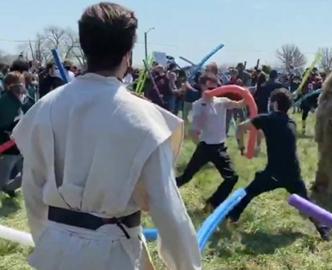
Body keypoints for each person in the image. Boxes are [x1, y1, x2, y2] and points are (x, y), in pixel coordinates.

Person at [11, 3, 201, 269]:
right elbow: (168, 210)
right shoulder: (144, 119)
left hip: (55, 251)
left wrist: (49, 239)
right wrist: (187, 266)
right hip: (112, 256)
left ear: (84, 46)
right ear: (128, 54)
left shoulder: (46, 107)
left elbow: (32, 190)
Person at [227, 88, 332, 241]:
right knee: (306, 202)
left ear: (275, 103)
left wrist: (242, 147)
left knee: (249, 192)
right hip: (293, 173)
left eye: (271, 101)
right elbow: (276, 134)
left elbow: (241, 128)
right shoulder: (291, 122)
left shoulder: (268, 119)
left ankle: (231, 218)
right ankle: (324, 230)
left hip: (274, 174)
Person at [176, 72, 245, 210]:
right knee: (186, 177)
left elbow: (238, 105)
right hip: (206, 147)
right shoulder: (197, 105)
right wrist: (204, 108)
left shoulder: (222, 101)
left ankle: (211, 204)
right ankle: (160, 192)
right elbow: (196, 129)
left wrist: (247, 96)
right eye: (209, 88)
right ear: (202, 86)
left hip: (220, 147)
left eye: (215, 88)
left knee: (232, 177)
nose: (212, 91)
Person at [0, 71, 27, 197]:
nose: (22, 85)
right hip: (8, 145)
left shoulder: (25, 100)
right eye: (19, 83)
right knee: (3, 177)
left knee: (27, 173)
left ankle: (9, 188)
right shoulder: (4, 102)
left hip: (22, 144)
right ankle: (5, 187)